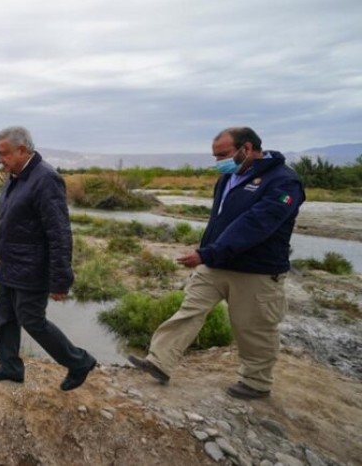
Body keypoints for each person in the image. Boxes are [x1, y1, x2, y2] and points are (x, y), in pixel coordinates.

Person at [129, 127, 305, 399]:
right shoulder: (228, 177)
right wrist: (208, 251)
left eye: (223, 154)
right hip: (215, 264)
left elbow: (256, 224)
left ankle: (256, 383)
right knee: (189, 311)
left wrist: (207, 254)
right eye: (215, 156)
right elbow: (219, 221)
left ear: (246, 149)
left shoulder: (283, 181)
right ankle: (159, 362)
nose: (218, 161)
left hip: (256, 271)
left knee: (253, 327)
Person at [0, 126, 98, 391]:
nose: (1, 160)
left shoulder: (46, 179)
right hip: (10, 264)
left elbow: (59, 233)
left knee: (32, 320)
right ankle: (10, 367)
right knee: (5, 317)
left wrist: (60, 280)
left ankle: (78, 361)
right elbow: (11, 222)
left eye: (5, 154)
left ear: (23, 150)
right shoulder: (14, 177)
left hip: (32, 268)